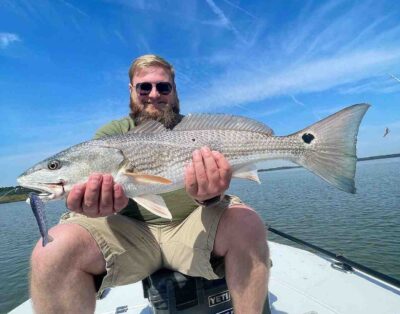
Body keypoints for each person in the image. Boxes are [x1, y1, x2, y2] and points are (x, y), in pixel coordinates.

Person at [30, 54, 269, 314]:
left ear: (174, 91)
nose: (154, 94)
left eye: (163, 87)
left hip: (193, 228)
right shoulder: (110, 137)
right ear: (132, 90)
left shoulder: (197, 132)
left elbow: (214, 195)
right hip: (131, 236)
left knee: (248, 223)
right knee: (50, 252)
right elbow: (100, 204)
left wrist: (211, 196)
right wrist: (98, 207)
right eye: (144, 87)